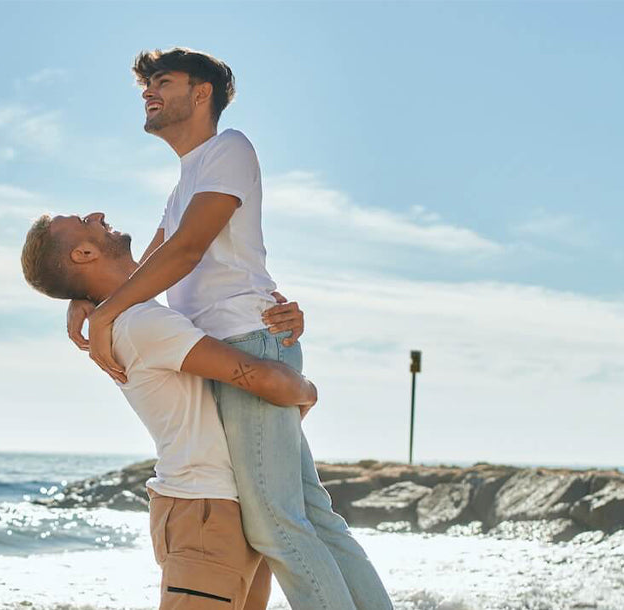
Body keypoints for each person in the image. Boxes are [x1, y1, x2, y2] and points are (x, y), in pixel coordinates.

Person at [65, 48, 393, 610]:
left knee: (276, 525)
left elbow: (187, 251)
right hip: (239, 344)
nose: (149, 92)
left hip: (248, 340)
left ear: (202, 94)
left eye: (162, 81)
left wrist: (104, 313)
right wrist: (81, 300)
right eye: (146, 84)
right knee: (313, 516)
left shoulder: (228, 149)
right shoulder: (183, 185)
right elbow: (141, 271)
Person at [21, 210, 312, 609]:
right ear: (84, 253)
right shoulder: (141, 323)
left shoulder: (140, 317)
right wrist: (307, 390)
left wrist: (276, 327)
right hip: (204, 511)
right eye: (83, 221)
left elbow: (177, 229)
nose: (98, 215)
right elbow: (268, 382)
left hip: (232, 506)